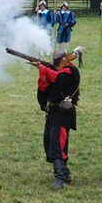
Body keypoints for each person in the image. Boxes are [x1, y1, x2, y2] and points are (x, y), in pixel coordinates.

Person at [30, 48, 82, 190]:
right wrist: (42, 71)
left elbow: (58, 78)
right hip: (53, 111)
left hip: (63, 113)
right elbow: (45, 87)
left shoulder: (71, 73)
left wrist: (42, 68)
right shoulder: (55, 71)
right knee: (50, 141)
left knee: (57, 143)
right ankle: (65, 173)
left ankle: (60, 177)